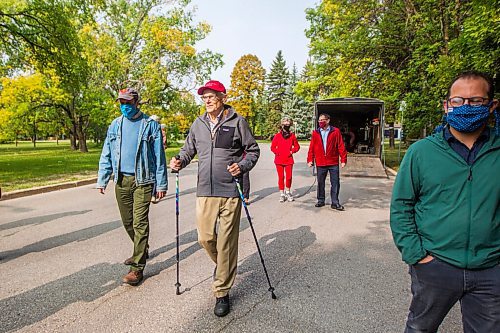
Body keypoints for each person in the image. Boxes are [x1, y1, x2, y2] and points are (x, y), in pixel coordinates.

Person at [390, 71, 500, 332]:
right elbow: (402, 205)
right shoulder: (422, 152)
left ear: (492, 105)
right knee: (420, 328)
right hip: (435, 265)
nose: (465, 107)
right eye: (458, 101)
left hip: (490, 269)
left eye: (475, 101)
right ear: (447, 105)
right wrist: (416, 255)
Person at [170, 80, 260, 317]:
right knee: (205, 238)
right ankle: (224, 267)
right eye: (204, 97)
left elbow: (253, 150)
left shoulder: (237, 122)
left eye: (211, 96)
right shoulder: (198, 124)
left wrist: (241, 166)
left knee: (227, 242)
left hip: (230, 190)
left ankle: (222, 290)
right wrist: (179, 159)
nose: (207, 100)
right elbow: (189, 149)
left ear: (222, 97)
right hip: (205, 191)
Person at [97, 88, 167, 286]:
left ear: (137, 102)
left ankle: (137, 268)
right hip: (121, 180)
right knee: (128, 222)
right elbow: (107, 152)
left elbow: (159, 157)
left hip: (143, 181)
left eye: (128, 103)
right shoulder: (115, 125)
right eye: (121, 103)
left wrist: (160, 183)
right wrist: (102, 178)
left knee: (139, 223)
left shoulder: (150, 125)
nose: (124, 106)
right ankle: (141, 249)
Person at [307, 113, 347, 210]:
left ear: (328, 120)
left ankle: (335, 202)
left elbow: (341, 146)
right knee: (320, 182)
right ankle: (321, 200)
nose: (321, 122)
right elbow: (312, 147)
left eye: (323, 120)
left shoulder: (335, 131)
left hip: (333, 162)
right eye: (319, 120)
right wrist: (310, 159)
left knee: (335, 182)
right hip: (320, 162)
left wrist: (343, 159)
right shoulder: (316, 133)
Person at [270, 117, 300, 202]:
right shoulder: (277, 136)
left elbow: (297, 147)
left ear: (290, 125)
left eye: (288, 124)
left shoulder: (292, 136)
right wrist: (278, 152)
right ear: (282, 125)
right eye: (285, 124)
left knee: (289, 177)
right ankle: (282, 193)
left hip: (289, 160)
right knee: (281, 177)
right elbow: (272, 147)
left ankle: (288, 192)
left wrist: (291, 151)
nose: (286, 125)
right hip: (279, 160)